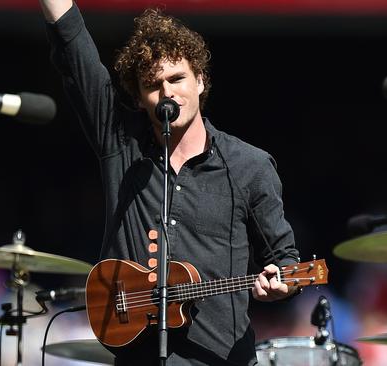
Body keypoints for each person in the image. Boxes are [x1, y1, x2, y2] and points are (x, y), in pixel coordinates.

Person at [38, 1, 301, 364]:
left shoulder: (248, 166)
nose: (167, 92)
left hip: (218, 358)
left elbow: (284, 261)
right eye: (152, 84)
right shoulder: (122, 147)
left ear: (200, 80)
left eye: (176, 78)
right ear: (139, 97)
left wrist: (280, 285)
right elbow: (76, 53)